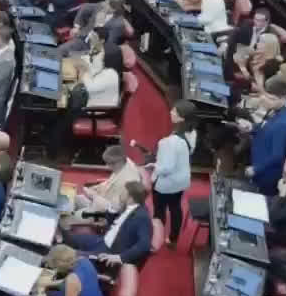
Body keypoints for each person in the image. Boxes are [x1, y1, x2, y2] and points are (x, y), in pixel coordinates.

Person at [65, 180, 154, 267]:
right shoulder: (129, 206)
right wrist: (112, 210)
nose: (120, 194)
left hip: (108, 252)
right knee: (67, 238)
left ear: (130, 198)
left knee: (67, 255)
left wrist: (120, 257)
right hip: (103, 241)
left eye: (123, 193)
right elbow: (115, 225)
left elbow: (144, 245)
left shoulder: (142, 217)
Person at [150, 101, 196, 247]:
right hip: (180, 180)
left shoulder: (170, 142)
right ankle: (173, 239)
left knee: (159, 211)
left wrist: (154, 165)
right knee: (175, 207)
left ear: (182, 118)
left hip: (165, 184)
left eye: (174, 111)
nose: (170, 112)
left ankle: (156, 238)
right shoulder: (192, 132)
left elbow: (166, 168)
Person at [244, 77, 286, 193]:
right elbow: (265, 125)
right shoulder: (277, 107)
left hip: (266, 175)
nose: (266, 100)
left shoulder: (283, 124)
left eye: (271, 99)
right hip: (258, 160)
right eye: (266, 96)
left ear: (283, 98)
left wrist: (256, 169)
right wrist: (252, 128)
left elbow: (277, 156)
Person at [36, 244, 107, 296]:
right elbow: (79, 282)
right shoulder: (84, 260)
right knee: (50, 291)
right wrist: (48, 283)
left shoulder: (72, 279)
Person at [75, 145, 143, 215]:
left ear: (115, 163)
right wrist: (97, 188)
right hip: (99, 202)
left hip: (104, 213)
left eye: (108, 163)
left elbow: (114, 209)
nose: (107, 166)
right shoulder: (121, 166)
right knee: (75, 199)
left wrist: (94, 196)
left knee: (71, 216)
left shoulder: (127, 181)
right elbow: (109, 183)